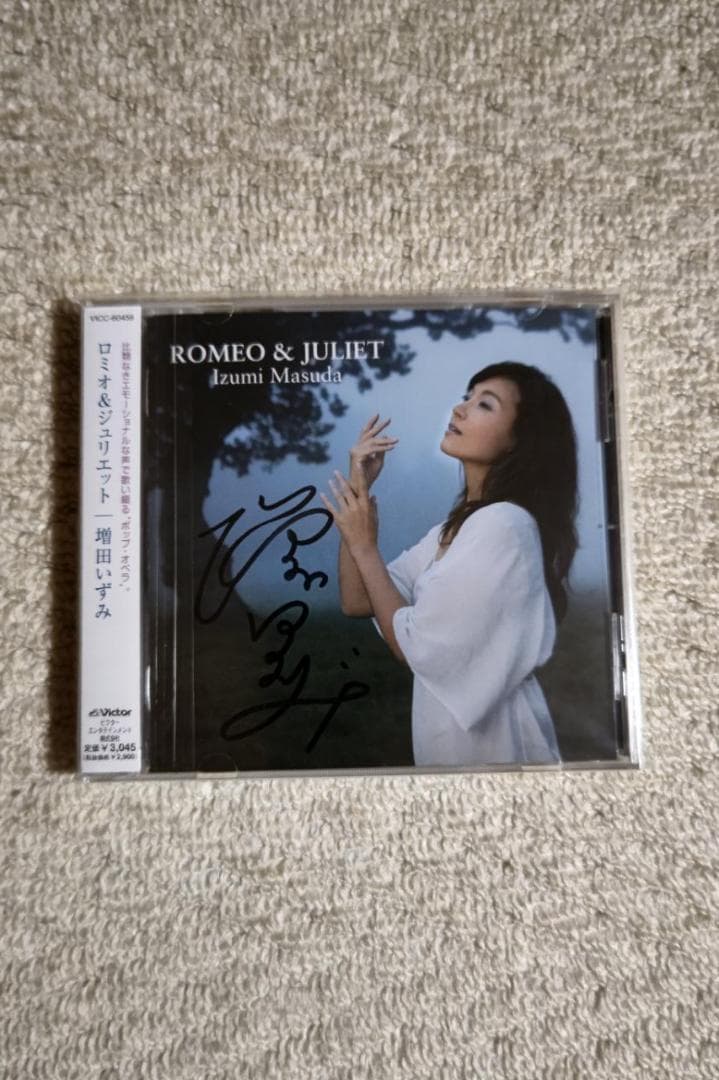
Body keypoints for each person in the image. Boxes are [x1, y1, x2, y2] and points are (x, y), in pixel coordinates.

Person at [319, 361, 578, 767]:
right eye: (466, 398)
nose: (459, 409)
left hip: (498, 746)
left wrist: (365, 545)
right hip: (448, 744)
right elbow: (358, 600)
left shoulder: (505, 525)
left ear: (518, 440)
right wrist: (360, 490)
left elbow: (411, 646)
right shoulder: (455, 530)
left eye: (485, 404)